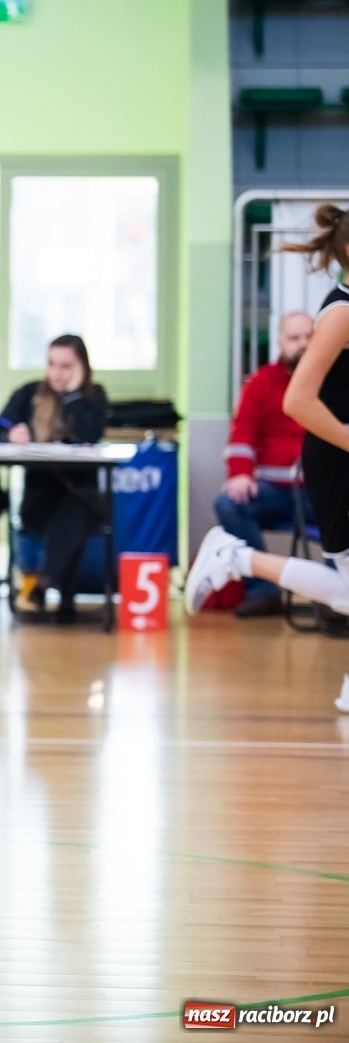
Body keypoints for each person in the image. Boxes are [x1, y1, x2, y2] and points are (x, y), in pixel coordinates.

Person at [187, 203, 349, 714]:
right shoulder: (341, 312)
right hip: (336, 462)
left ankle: (234, 558)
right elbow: (297, 400)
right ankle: (233, 557)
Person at [0, 334, 109, 623]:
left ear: (81, 366)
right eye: (52, 364)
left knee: (77, 509)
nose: (57, 373)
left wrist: (73, 394)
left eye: (66, 366)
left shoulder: (93, 397)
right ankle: (59, 595)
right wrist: (10, 435)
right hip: (39, 498)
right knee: (70, 516)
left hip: (81, 495)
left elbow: (91, 434)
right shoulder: (28, 394)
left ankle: (44, 583)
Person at [215, 310, 315, 617]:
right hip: (273, 491)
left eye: (309, 337)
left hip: (319, 492)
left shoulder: (335, 382)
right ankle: (263, 590)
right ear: (280, 342)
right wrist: (240, 476)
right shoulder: (260, 383)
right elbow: (242, 434)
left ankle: (338, 596)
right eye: (294, 338)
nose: (302, 344)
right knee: (228, 504)